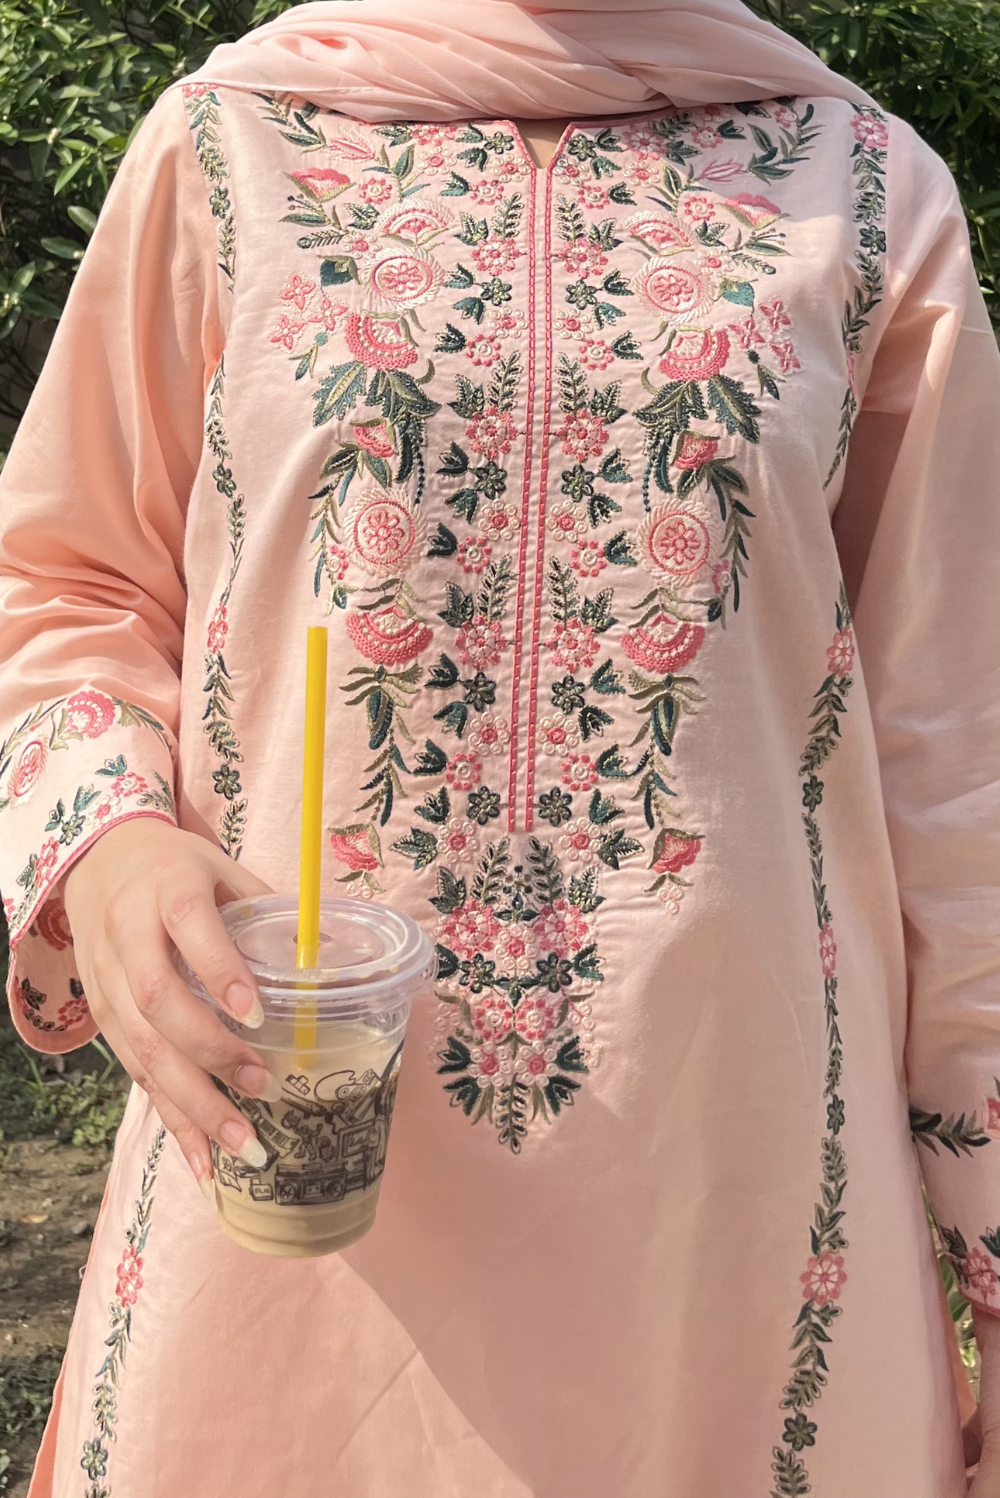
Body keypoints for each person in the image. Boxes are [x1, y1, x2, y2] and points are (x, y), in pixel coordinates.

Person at [1, 0, 999, 1492]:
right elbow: (63, 579)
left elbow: (960, 749)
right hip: (280, 1123)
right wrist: (111, 839)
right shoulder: (232, 147)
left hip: (733, 1182)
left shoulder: (864, 187)